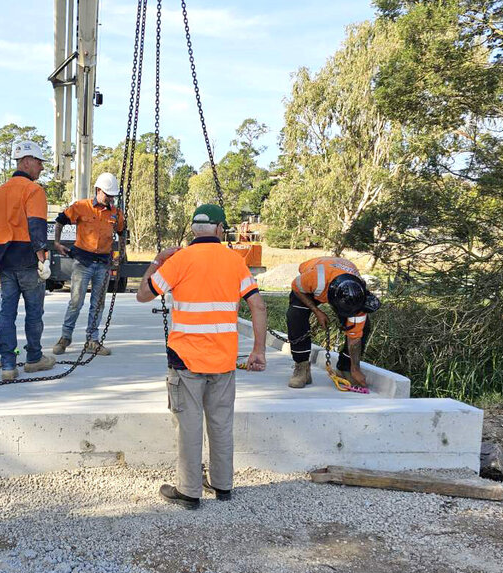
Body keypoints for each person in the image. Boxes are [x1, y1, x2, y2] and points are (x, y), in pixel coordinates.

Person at [136, 204, 268, 509]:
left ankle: (189, 491)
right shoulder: (235, 262)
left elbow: (143, 294)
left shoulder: (179, 260)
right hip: (223, 359)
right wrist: (258, 351)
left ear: (194, 230)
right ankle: (222, 485)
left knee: (189, 424)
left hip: (186, 360)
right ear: (220, 229)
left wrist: (157, 261)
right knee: (221, 423)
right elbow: (258, 306)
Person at [0, 139, 56, 381]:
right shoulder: (33, 190)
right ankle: (34, 359)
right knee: (34, 312)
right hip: (27, 260)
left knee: (7, 312)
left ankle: (8, 365)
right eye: (39, 162)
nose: (42, 167)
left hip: (5, 261)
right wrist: (42, 259)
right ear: (26, 162)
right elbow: (36, 227)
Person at [52, 172, 126, 356]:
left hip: (103, 264)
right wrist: (57, 243)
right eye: (108, 195)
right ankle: (65, 338)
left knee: (98, 304)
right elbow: (60, 221)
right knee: (76, 302)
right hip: (83, 263)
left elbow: (122, 232)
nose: (110, 199)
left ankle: (92, 340)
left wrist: (121, 253)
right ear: (98, 190)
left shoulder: (116, 213)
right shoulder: (81, 207)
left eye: (113, 196)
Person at [286, 256, 380, 389]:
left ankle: (345, 368)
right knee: (295, 315)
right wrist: (316, 311)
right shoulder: (315, 279)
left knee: (363, 327)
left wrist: (355, 368)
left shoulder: (358, 298)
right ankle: (302, 368)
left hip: (340, 281)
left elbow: (355, 338)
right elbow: (296, 287)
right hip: (313, 282)